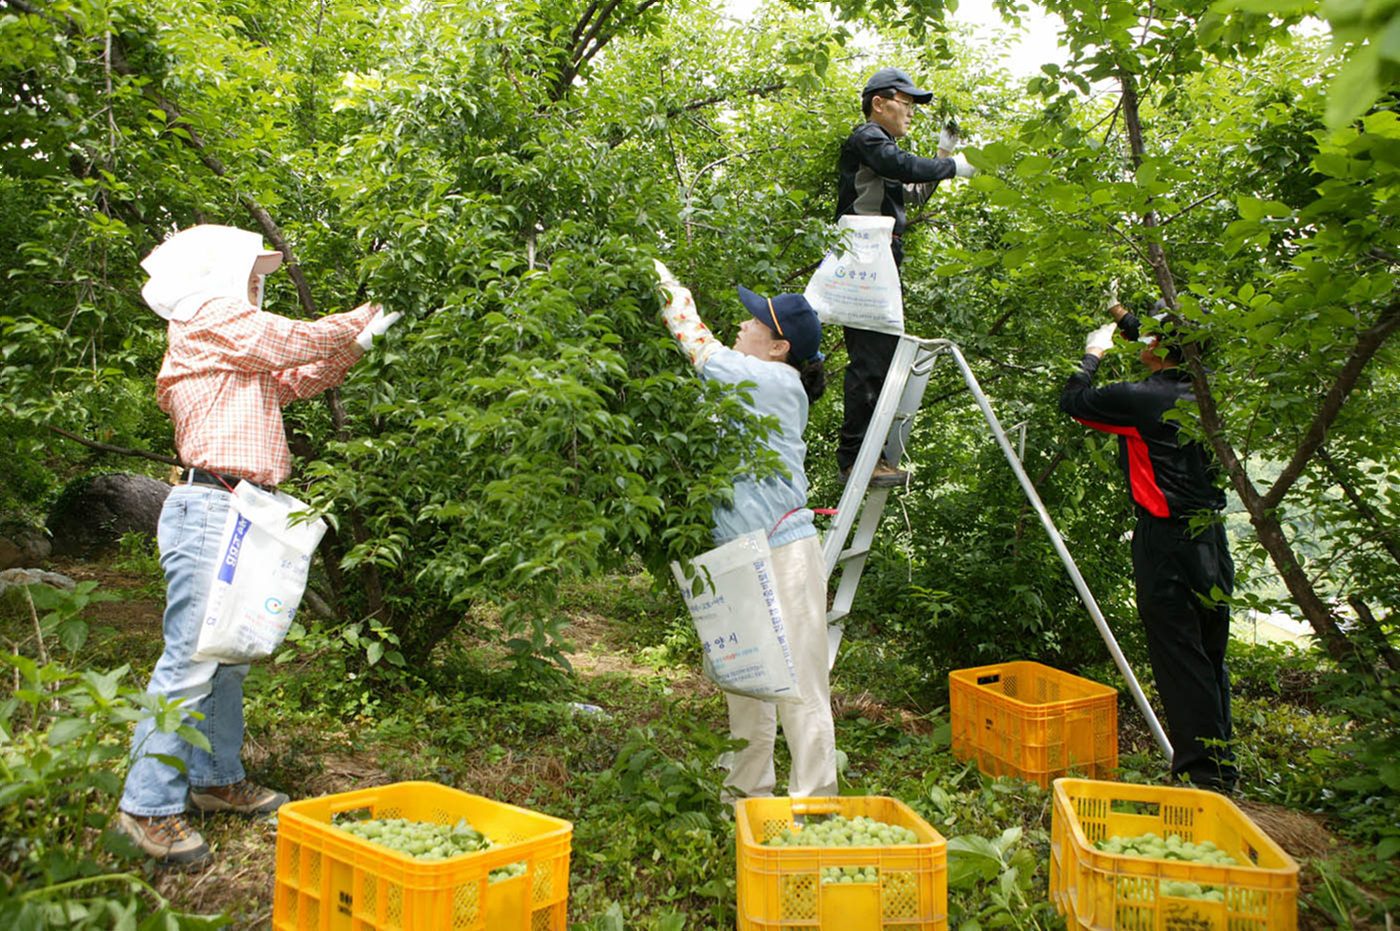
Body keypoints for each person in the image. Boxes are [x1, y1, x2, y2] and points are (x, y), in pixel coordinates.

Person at [119, 224, 400, 865]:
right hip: (210, 507)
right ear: (219, 269)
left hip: (239, 508)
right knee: (192, 657)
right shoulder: (209, 319)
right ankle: (147, 805)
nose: (256, 282)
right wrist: (367, 313)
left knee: (227, 656)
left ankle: (215, 779)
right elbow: (293, 340)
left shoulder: (231, 349)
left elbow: (298, 377)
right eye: (251, 271)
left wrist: (358, 343)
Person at [653, 260, 838, 801]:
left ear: (779, 347)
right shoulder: (750, 384)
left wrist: (667, 285)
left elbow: (699, 346)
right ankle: (747, 797)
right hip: (739, 553)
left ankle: (814, 808)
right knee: (748, 679)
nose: (743, 324)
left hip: (783, 554)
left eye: (755, 321)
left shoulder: (775, 381)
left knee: (800, 687)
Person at [1058, 284, 1237, 793]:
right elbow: (1164, 339)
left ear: (1157, 346)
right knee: (1209, 653)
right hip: (1212, 540)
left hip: (1166, 542)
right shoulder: (1210, 387)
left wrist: (1093, 353)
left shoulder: (1138, 399)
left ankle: (1204, 780)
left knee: (1180, 658)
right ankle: (1220, 764)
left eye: (1148, 337)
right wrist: (1118, 312)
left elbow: (1074, 401)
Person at [834, 67, 974, 487]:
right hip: (865, 258)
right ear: (879, 103)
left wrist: (945, 155)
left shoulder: (884, 151)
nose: (911, 112)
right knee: (870, 359)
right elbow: (903, 166)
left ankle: (866, 455)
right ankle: (855, 459)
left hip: (879, 259)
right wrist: (952, 167)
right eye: (906, 103)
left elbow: (910, 191)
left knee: (882, 358)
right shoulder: (868, 137)